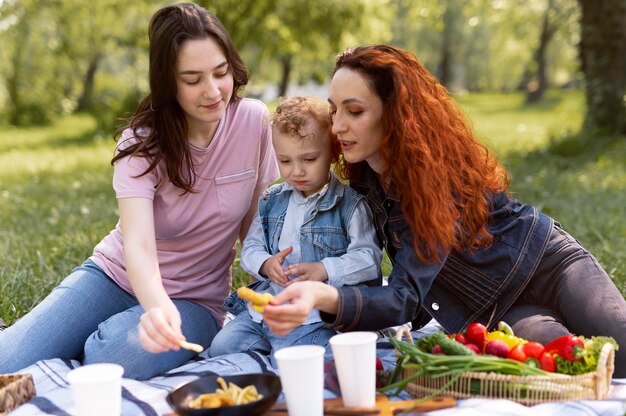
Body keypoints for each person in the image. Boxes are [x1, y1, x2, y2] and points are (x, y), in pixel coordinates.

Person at [262, 44, 626, 376]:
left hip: (550, 265)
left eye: (354, 111)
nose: (337, 126)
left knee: (621, 351)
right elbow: (399, 277)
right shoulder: (364, 184)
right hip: (498, 311)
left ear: (394, 113)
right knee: (571, 369)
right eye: (334, 109)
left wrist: (326, 296)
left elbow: (404, 296)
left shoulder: (433, 177)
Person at [0, 2, 278, 380]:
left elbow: (253, 228)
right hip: (115, 277)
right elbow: (139, 245)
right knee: (8, 361)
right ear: (167, 82)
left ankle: (96, 339)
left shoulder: (254, 122)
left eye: (221, 72)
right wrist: (155, 303)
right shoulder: (142, 143)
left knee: (108, 360)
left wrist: (276, 275)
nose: (213, 91)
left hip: (195, 301)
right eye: (193, 80)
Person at [209, 96, 382, 363]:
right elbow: (252, 247)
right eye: (285, 161)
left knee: (290, 358)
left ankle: (302, 351)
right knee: (222, 346)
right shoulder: (271, 201)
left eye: (309, 159)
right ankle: (272, 350)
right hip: (270, 306)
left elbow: (368, 260)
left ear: (333, 152)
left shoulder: (350, 206)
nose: (297, 171)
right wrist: (266, 264)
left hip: (315, 317)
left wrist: (324, 268)